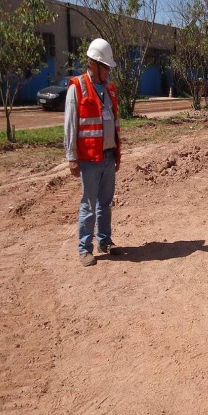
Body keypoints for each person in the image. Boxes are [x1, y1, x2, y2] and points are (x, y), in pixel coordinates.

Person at [64, 38, 121, 267]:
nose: (109, 71)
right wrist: (71, 157)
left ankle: (105, 241)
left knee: (105, 204)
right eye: (106, 67)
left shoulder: (109, 89)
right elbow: (70, 124)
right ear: (94, 64)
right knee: (88, 204)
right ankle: (84, 248)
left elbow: (114, 121)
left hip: (108, 155)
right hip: (89, 159)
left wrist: (116, 153)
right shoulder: (77, 87)